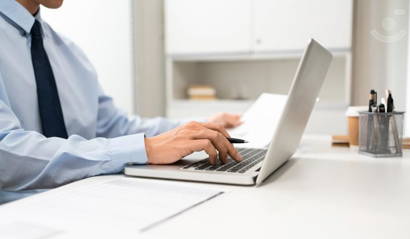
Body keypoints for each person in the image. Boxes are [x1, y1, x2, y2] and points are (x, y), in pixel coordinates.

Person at [0, 0, 243, 202]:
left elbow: (115, 126)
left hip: (84, 203)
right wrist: (145, 149)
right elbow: (6, 153)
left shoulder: (68, 52)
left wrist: (201, 128)